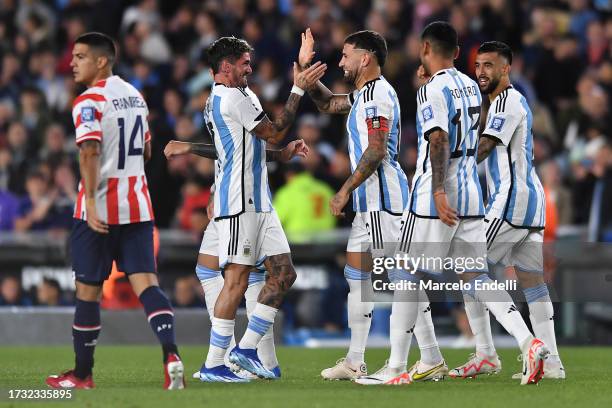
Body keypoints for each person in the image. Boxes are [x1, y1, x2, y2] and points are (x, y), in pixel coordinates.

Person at [386, 23, 549, 386]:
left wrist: (439, 191)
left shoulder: (431, 88)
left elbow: (439, 138)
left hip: (436, 196)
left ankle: (397, 368)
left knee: (405, 273)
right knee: (475, 276)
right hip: (473, 196)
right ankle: (528, 341)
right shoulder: (472, 89)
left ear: (425, 46)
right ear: (458, 53)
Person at [175, 36, 325, 382]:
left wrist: (281, 155)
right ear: (225, 67)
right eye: (244, 62)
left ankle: (246, 349)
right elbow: (272, 132)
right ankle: (215, 363)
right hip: (240, 204)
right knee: (237, 280)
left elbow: (247, 149)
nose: (250, 67)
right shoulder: (231, 97)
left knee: (284, 274)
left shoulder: (231, 97)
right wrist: (298, 89)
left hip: (259, 202)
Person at [296, 28, 442, 383]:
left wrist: (344, 189)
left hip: (382, 199)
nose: (340, 61)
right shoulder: (364, 94)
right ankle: (356, 360)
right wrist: (306, 73)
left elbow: (377, 150)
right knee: (357, 278)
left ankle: (407, 364)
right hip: (369, 203)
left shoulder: (377, 96)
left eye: (346, 55)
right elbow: (328, 103)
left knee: (400, 278)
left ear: (366, 58)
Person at [46, 32, 184, 390]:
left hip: (99, 212)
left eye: (79, 57)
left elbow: (89, 152)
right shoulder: (135, 95)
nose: (72, 63)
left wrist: (91, 202)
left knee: (88, 291)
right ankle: (171, 355)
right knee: (148, 285)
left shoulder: (88, 101)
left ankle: (81, 375)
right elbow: (148, 150)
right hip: (138, 207)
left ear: (102, 61)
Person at [449, 41, 567, 380]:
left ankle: (494, 351)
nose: (482, 71)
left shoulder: (508, 100)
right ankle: (554, 364)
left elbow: (484, 148)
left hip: (510, 200)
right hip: (530, 202)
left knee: (467, 265)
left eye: (490, 65)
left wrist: (446, 163)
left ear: (506, 69)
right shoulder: (505, 103)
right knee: (532, 282)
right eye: (479, 65)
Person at [164, 133, 309, 381]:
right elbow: (235, 152)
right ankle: (253, 360)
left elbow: (248, 144)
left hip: (241, 203)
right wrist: (213, 190)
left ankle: (231, 358)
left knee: (250, 274)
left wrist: (189, 146)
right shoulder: (228, 102)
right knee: (215, 270)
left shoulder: (232, 100)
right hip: (229, 197)